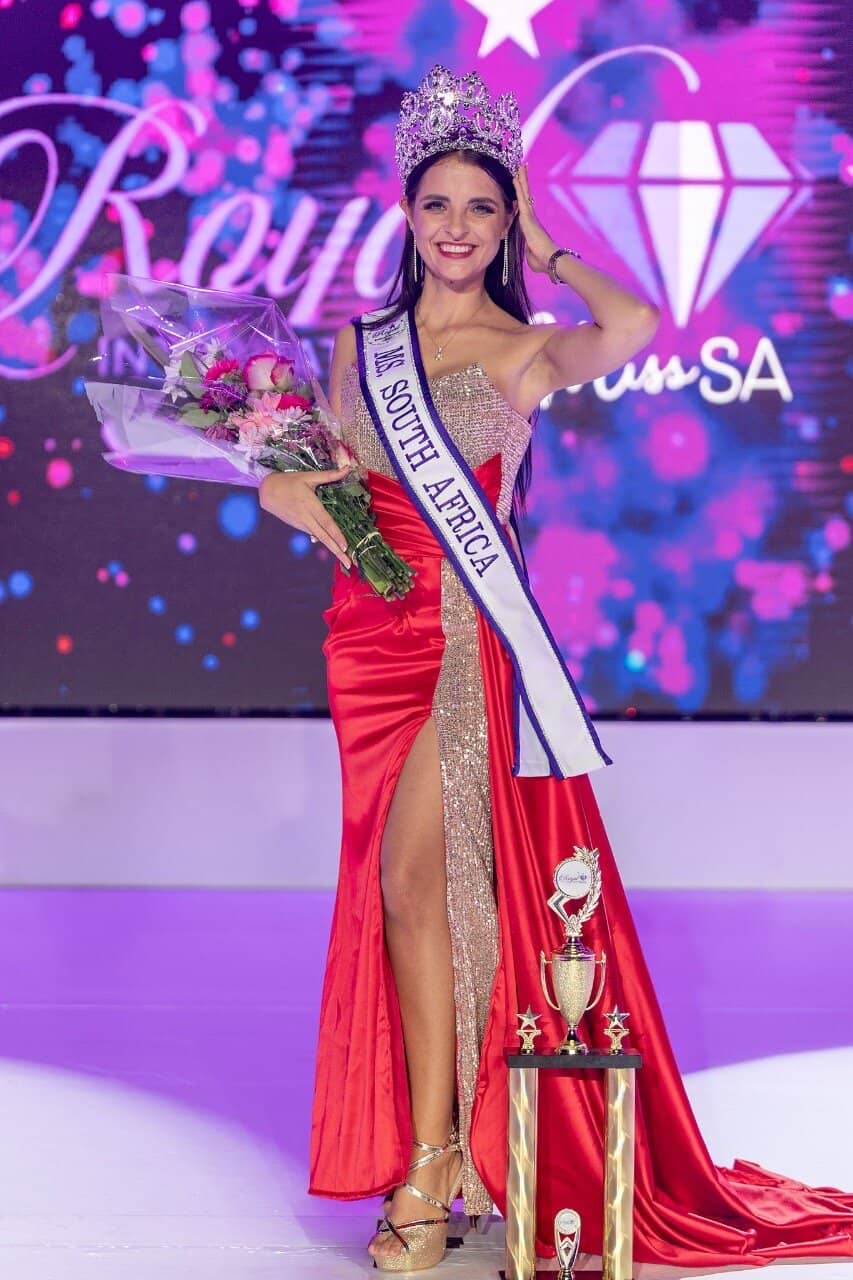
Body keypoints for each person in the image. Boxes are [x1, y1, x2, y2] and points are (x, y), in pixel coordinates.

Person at [259, 66, 853, 1275]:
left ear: (503, 220)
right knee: (399, 891)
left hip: (469, 642)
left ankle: (432, 1164)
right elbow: (321, 473)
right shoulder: (355, 345)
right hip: (366, 642)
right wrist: (280, 486)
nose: (461, 228)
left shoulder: (524, 347)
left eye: (483, 208)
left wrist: (553, 239)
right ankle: (446, 1148)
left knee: (416, 880)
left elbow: (633, 327)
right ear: (406, 216)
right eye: (441, 206)